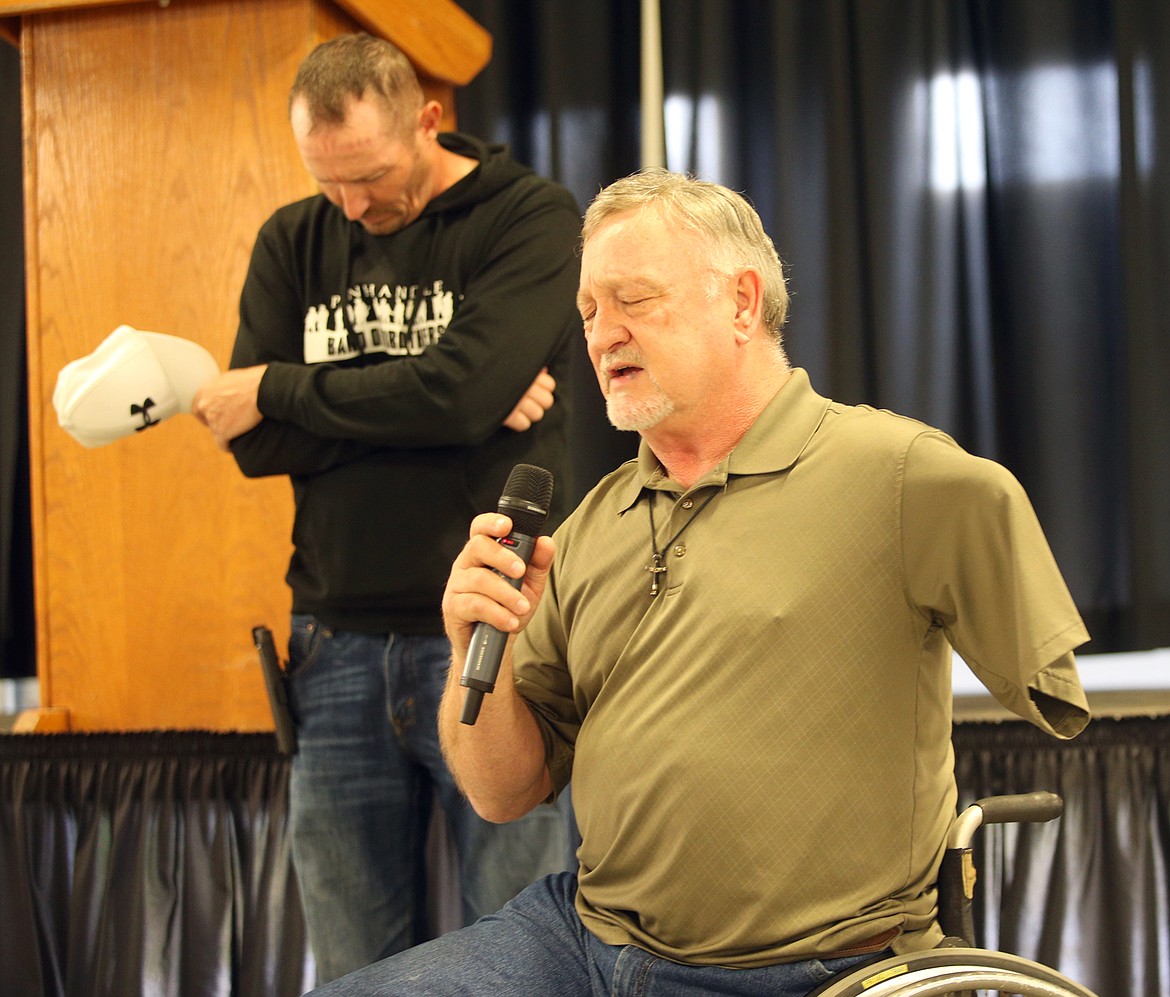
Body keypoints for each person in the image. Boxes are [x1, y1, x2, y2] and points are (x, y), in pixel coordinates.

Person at [307, 169, 1091, 997]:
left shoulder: (904, 478)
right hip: (583, 938)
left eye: (632, 300)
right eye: (587, 312)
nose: (601, 333)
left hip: (822, 967)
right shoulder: (584, 529)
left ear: (743, 303)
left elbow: (1049, 676)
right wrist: (479, 650)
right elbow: (504, 791)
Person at [190, 33, 580, 985]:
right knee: (352, 963)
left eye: (371, 176)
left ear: (428, 120)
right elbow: (257, 443)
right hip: (332, 647)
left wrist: (284, 384)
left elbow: (444, 392)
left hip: (496, 635)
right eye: (331, 183)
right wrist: (448, 398)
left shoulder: (528, 215)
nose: (356, 207)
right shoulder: (294, 237)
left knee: (522, 952)